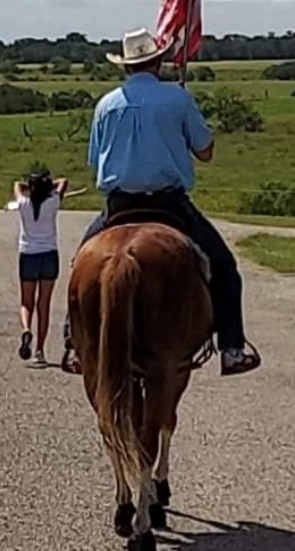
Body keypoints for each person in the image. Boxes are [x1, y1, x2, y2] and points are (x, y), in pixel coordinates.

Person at [60, 27, 261, 378]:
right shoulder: (177, 99)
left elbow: (95, 160)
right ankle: (231, 348)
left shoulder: (106, 104)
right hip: (169, 204)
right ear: (158, 62)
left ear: (125, 67)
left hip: (119, 205)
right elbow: (206, 151)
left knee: (81, 266)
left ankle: (74, 345)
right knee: (225, 268)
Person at [14, 169, 68, 367]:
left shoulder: (23, 204)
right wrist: (49, 187)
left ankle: (26, 328)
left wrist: (32, 186)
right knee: (43, 304)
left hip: (28, 253)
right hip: (49, 255)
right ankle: (39, 351)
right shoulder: (53, 202)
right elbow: (63, 180)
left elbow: (17, 185)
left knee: (26, 302)